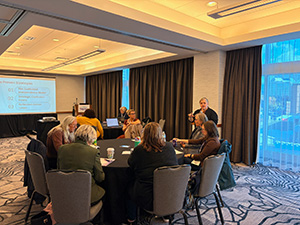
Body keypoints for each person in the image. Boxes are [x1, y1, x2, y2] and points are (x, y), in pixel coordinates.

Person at [127, 122, 178, 223]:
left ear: (144, 135)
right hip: (171, 195)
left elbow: (130, 164)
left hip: (147, 198)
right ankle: (166, 215)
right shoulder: (169, 147)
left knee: (128, 187)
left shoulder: (139, 150)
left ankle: (131, 218)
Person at [57, 124, 105, 205]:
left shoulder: (62, 149)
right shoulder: (93, 152)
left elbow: (59, 169)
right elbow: (100, 178)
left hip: (65, 192)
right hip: (86, 195)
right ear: (91, 137)